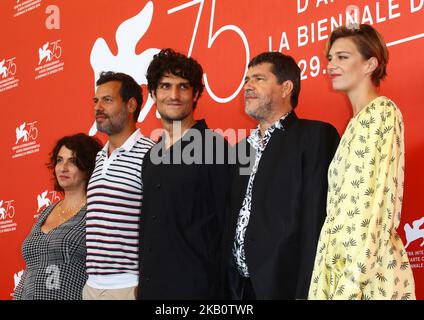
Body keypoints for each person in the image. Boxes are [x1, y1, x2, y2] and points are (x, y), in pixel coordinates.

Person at [308, 24, 416, 300]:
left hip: (366, 275)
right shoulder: (354, 125)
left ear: (370, 64)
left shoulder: (381, 113)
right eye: (330, 58)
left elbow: (371, 210)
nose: (331, 65)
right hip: (341, 265)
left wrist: (349, 287)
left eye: (343, 57)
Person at [227, 51, 340, 300]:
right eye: (247, 80)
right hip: (239, 290)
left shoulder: (315, 137)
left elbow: (315, 219)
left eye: (258, 79)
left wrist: (307, 291)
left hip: (286, 287)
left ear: (286, 87)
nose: (248, 87)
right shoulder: (239, 150)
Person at [137, 48, 231, 299]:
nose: (174, 95)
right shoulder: (150, 157)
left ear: (196, 93)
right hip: (151, 290)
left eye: (183, 86)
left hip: (197, 291)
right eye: (165, 86)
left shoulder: (214, 148)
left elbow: (227, 228)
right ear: (154, 94)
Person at [83, 71, 154, 300]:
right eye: (96, 100)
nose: (98, 107)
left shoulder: (151, 154)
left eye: (107, 100)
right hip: (92, 286)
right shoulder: (99, 157)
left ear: (131, 105)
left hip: (128, 287)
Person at [13, 133, 102, 300]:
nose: (63, 168)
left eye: (73, 161)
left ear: (88, 166)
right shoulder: (46, 212)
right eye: (60, 160)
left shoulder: (96, 211)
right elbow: (30, 268)